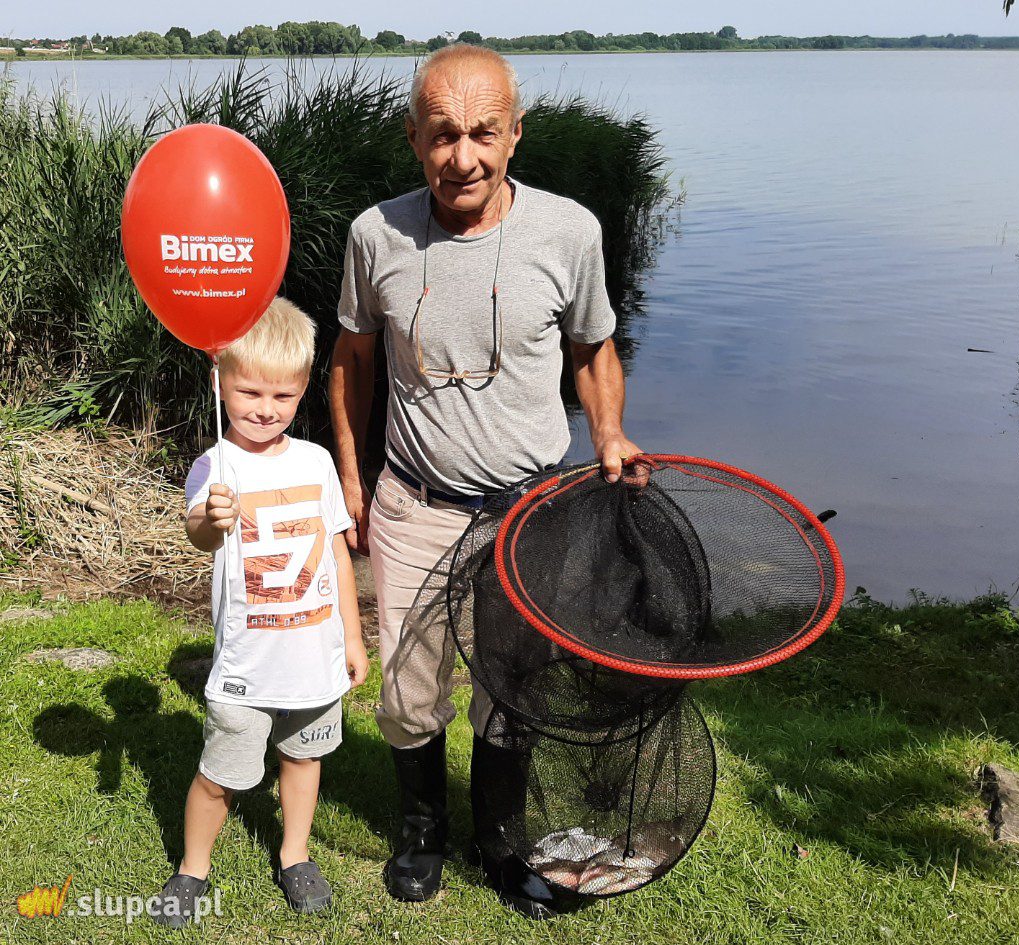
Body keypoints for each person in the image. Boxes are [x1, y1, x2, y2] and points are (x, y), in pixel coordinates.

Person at [329, 44, 642, 919]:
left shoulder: (570, 230)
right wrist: (352, 479)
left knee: (515, 688)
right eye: (441, 135)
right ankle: (423, 832)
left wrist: (610, 433)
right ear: (413, 138)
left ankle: (501, 846)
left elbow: (593, 349)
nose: (460, 157)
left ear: (514, 134)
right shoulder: (374, 234)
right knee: (407, 688)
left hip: (529, 515)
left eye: (481, 133)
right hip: (414, 506)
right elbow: (349, 363)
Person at [151, 298, 370, 928]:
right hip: (248, 663)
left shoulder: (318, 463)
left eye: (283, 395)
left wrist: (352, 639)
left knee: (304, 760)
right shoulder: (215, 467)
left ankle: (294, 854)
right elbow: (200, 530)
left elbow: (335, 555)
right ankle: (193, 867)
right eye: (249, 391)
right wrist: (209, 518)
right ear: (221, 380)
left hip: (314, 657)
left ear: (303, 390)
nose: (265, 408)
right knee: (220, 774)